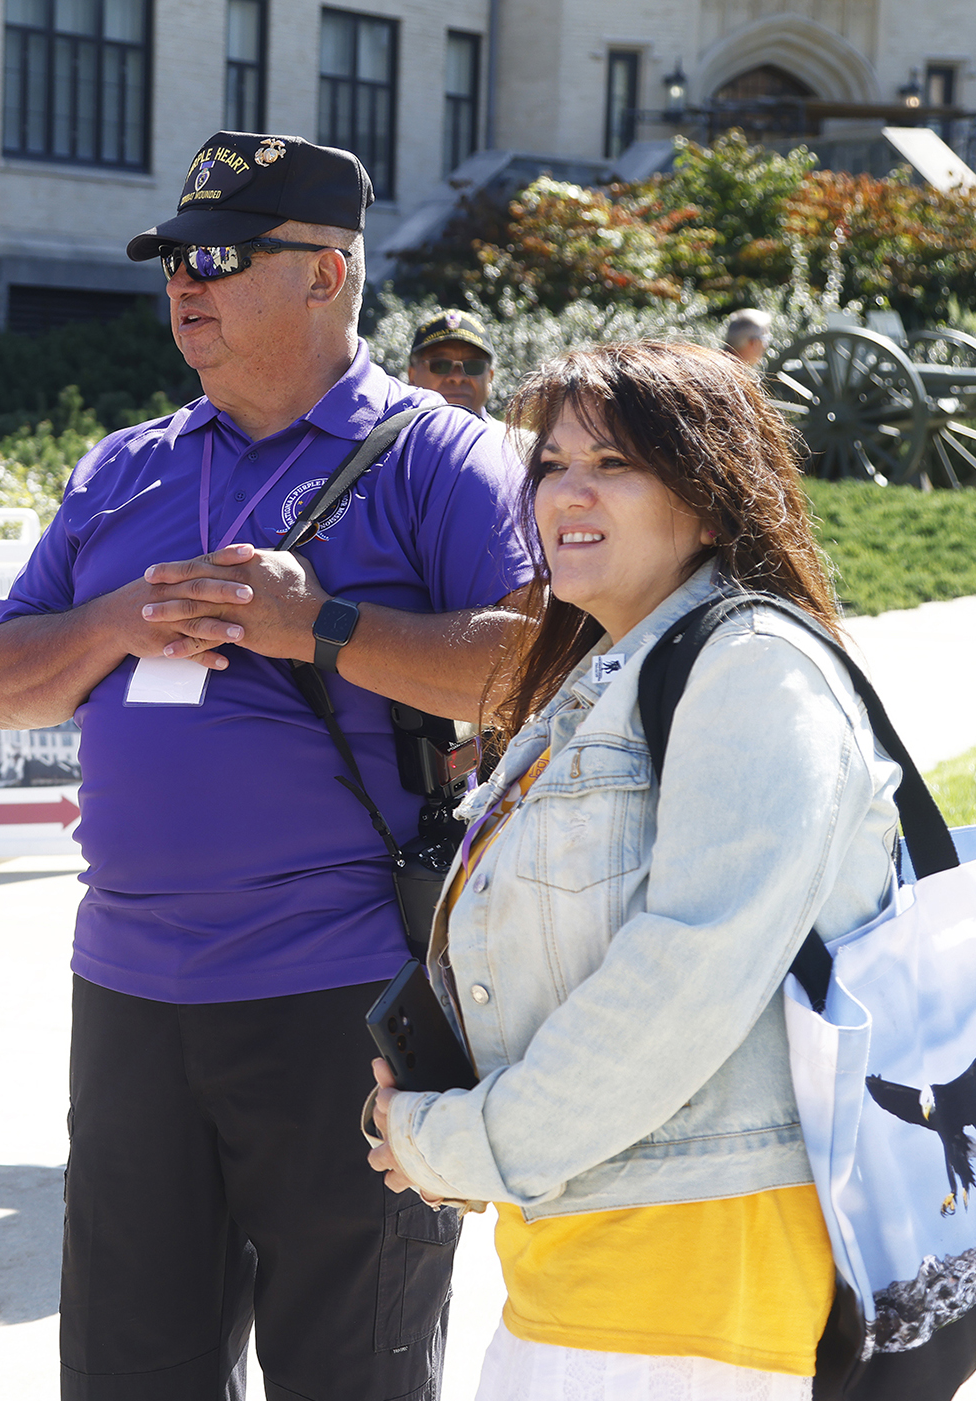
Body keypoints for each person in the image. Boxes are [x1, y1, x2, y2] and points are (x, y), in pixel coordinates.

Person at [0, 130, 533, 1400]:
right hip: (127, 993)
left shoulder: (438, 457)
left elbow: (533, 673)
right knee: (129, 1368)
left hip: (339, 999)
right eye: (174, 257)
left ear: (329, 275)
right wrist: (119, 619)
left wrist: (318, 627)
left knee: (350, 1368)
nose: (187, 282)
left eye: (222, 257)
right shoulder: (128, 468)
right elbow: (5, 683)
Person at [365, 340, 903, 1399]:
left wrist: (459, 1145)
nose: (568, 489)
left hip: (692, 1292)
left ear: (709, 501)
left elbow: (681, 979)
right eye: (552, 463)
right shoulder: (608, 680)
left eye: (613, 463)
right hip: (581, 1268)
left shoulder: (752, 672)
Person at [406, 309, 497, 417]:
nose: (457, 378)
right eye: (440, 365)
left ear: (490, 377)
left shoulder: (507, 434)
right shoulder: (390, 433)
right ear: (412, 376)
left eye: (473, 366)